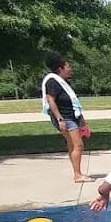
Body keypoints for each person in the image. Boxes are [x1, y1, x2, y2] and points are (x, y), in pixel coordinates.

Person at [41, 53, 91, 183]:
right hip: (65, 118)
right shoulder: (53, 82)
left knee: (72, 145)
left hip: (71, 116)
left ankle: (77, 172)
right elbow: (50, 100)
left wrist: (82, 122)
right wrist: (60, 119)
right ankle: (78, 175)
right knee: (78, 145)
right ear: (60, 69)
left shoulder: (63, 83)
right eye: (68, 66)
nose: (70, 68)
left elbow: (73, 102)